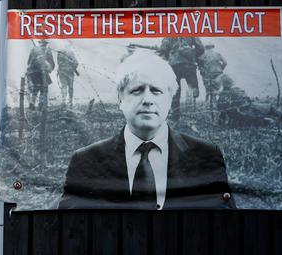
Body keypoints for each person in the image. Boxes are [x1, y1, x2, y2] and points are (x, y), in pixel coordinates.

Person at [58, 52, 235, 210]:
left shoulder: (205, 156)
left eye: (156, 91)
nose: (147, 100)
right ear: (120, 99)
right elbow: (71, 230)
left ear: (170, 98)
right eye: (137, 90)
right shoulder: (86, 161)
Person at [160, 37, 205, 121]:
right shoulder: (191, 32)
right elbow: (201, 48)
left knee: (175, 91)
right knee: (193, 87)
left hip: (174, 64)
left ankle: (175, 116)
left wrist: (170, 56)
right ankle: (194, 114)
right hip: (189, 64)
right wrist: (192, 54)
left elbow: (163, 48)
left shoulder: (169, 33)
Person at [26, 39, 55, 111]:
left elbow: (28, 62)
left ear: (40, 43)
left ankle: (32, 103)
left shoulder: (33, 49)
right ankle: (41, 105)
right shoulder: (48, 51)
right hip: (43, 72)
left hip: (33, 72)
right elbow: (52, 63)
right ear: (45, 44)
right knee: (43, 89)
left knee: (35, 89)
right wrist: (49, 69)